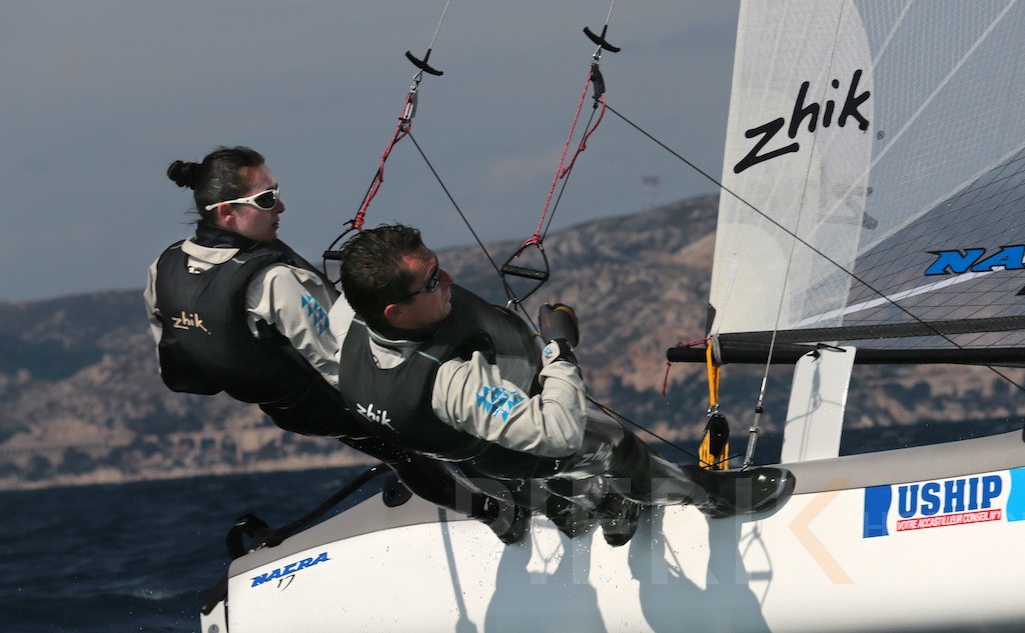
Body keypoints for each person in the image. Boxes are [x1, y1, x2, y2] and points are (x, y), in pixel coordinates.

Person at [334, 223, 793, 546]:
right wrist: (559, 351)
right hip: (509, 451)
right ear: (395, 311)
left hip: (469, 449)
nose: (449, 279)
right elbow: (558, 433)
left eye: (439, 266)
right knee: (608, 442)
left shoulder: (348, 318)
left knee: (556, 459)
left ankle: (605, 509)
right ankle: (714, 497)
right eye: (433, 281)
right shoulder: (453, 382)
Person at [147, 146, 461, 521]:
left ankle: (488, 513)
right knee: (446, 440)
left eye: (276, 194)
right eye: (266, 200)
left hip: (294, 411)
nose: (281, 208)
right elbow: (340, 363)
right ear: (227, 213)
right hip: (340, 403)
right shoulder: (273, 281)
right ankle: (501, 517)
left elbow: (172, 358)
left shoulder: (163, 266)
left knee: (401, 456)